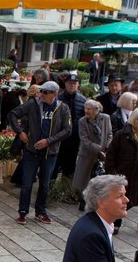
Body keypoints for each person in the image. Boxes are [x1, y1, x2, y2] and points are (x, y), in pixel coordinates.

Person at [8, 80, 72, 226]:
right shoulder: (33, 104)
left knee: (44, 184)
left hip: (50, 153)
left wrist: (48, 141)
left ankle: (40, 212)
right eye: (41, 91)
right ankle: (22, 212)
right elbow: (12, 114)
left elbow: (67, 130)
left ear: (54, 94)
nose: (41, 94)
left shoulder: (63, 108)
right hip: (32, 151)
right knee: (27, 183)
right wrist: (20, 132)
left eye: (45, 92)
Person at [74, 99, 112, 211]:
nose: (86, 111)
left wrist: (107, 148)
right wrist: (99, 149)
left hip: (103, 154)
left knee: (98, 179)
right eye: (85, 108)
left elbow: (109, 134)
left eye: (89, 109)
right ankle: (84, 200)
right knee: (84, 179)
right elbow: (84, 140)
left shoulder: (106, 118)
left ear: (96, 110)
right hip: (87, 153)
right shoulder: (82, 121)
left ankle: (96, 202)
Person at [54, 73, 86, 179]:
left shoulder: (83, 100)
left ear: (78, 85)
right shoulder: (58, 98)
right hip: (59, 136)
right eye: (70, 83)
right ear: (65, 84)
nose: (72, 85)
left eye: (74, 83)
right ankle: (49, 185)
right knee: (55, 163)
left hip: (74, 138)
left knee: (70, 165)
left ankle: (65, 188)